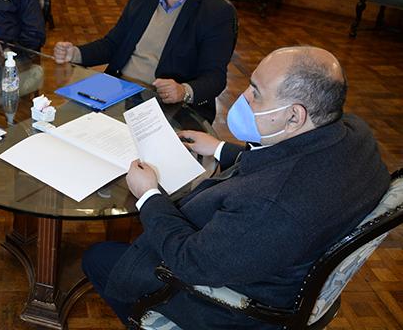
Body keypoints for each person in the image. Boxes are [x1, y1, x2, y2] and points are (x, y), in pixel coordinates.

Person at [82, 46, 390, 329]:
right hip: (282, 262)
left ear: (294, 116)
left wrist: (148, 195)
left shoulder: (270, 205)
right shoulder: (354, 133)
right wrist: (221, 149)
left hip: (239, 308)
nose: (244, 96)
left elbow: (192, 264)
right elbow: (287, 159)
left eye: (256, 92)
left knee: (98, 258)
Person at [54, 0, 236, 123]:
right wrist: (75, 53)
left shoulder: (216, 12)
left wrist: (184, 91)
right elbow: (113, 44)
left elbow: (215, 77)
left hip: (165, 101)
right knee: (63, 123)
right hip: (117, 87)